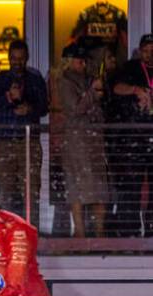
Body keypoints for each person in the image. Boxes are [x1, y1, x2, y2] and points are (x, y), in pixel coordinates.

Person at [0, 40, 48, 226]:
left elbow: (44, 107)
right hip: (4, 141)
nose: (17, 63)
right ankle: (4, 232)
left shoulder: (35, 79)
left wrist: (29, 107)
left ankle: (30, 231)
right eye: (14, 58)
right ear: (8, 58)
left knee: (31, 190)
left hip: (28, 141)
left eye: (21, 59)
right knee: (4, 191)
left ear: (27, 58)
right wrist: (9, 98)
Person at [56, 42, 109, 237]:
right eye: (79, 60)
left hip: (94, 141)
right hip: (77, 142)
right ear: (69, 61)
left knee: (99, 189)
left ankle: (100, 233)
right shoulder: (64, 81)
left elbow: (96, 108)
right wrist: (92, 94)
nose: (83, 64)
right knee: (77, 188)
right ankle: (80, 233)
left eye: (84, 60)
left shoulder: (88, 78)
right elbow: (75, 109)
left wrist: (98, 94)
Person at [110, 33, 153, 236]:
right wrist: (137, 90)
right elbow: (116, 88)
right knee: (132, 185)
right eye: (145, 51)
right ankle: (129, 232)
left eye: (152, 51)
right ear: (139, 51)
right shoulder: (131, 68)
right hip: (134, 137)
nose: (149, 55)